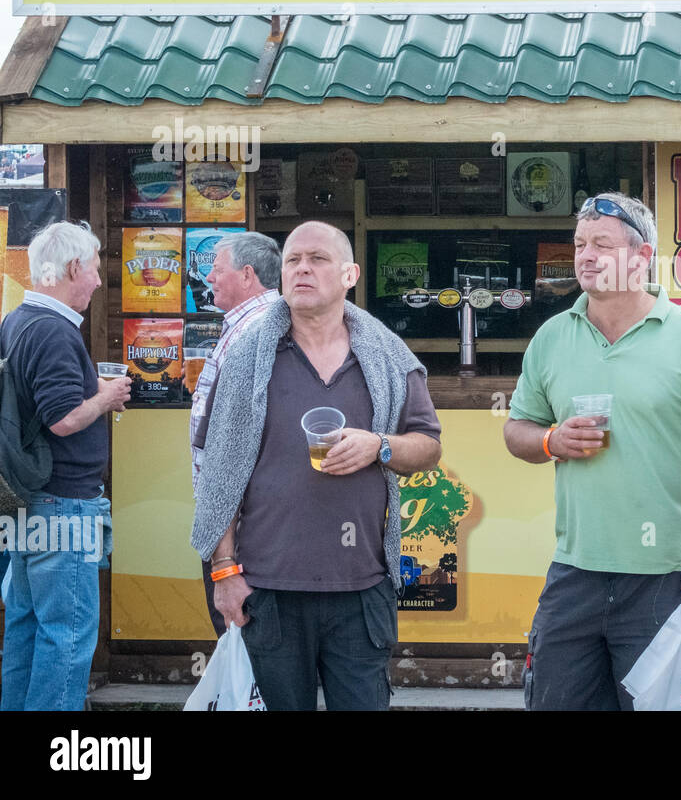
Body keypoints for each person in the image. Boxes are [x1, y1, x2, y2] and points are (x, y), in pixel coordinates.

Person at [504, 192, 681, 711]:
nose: (585, 256)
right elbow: (516, 430)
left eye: (602, 245)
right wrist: (551, 440)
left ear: (641, 256)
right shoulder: (551, 337)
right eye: (579, 244)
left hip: (666, 575)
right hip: (575, 571)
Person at [190, 221, 442, 710]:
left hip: (362, 587)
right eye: (292, 260)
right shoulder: (245, 358)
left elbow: (427, 446)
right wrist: (224, 572)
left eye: (318, 259)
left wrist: (379, 446)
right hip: (269, 589)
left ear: (350, 274)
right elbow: (218, 473)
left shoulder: (388, 357)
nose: (302, 268)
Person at [0, 221, 131, 711]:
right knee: (68, 636)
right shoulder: (55, 332)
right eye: (96, 269)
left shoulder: (17, 320)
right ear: (74, 267)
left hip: (26, 501)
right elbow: (62, 420)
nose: (99, 281)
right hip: (63, 505)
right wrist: (105, 396)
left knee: (26, 629)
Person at [189, 232, 281, 637]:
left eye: (217, 268)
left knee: (246, 637)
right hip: (232, 514)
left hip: (244, 521)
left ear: (247, 275)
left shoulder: (260, 329)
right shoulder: (248, 324)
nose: (208, 276)